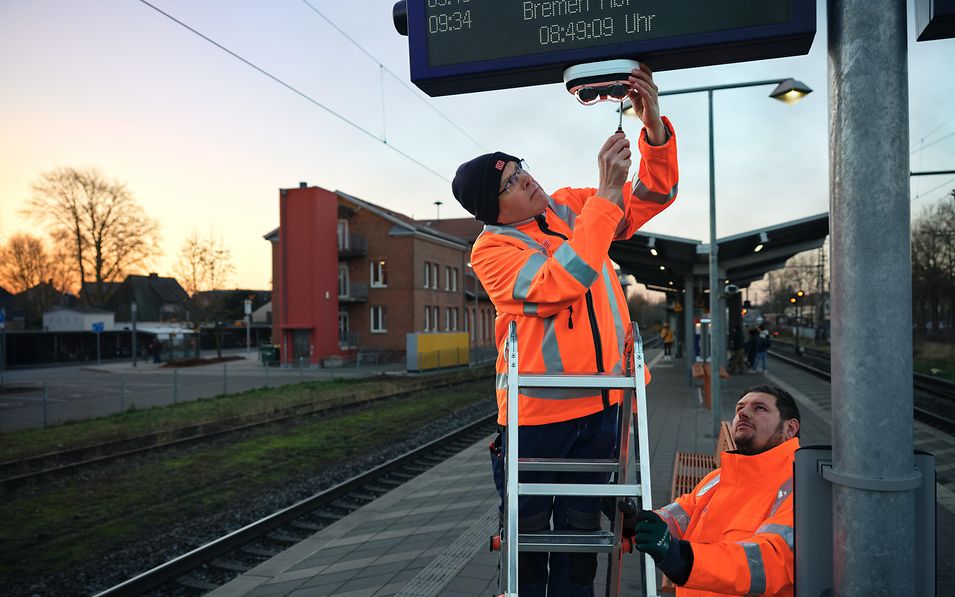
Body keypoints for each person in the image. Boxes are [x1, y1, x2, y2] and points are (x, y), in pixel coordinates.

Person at [451, 63, 679, 596]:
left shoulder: (571, 207)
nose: (526, 179)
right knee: (529, 544)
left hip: (602, 410)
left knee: (580, 543)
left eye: (521, 168)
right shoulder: (492, 251)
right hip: (537, 419)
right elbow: (562, 282)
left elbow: (652, 195)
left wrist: (653, 131)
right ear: (492, 208)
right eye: (510, 182)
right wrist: (606, 193)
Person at [629, 384, 800, 596]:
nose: (743, 413)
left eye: (759, 408)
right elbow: (681, 516)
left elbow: (771, 561)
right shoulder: (719, 477)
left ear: (790, 429)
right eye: (740, 408)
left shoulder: (799, 488)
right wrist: (638, 523)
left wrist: (683, 559)